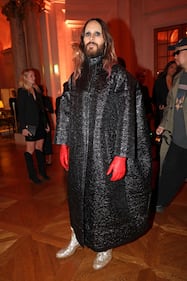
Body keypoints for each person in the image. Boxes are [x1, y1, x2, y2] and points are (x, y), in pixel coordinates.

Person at [55, 18, 151, 270]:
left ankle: (103, 245)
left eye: (97, 33)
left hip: (105, 153)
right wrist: (63, 143)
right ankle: (77, 233)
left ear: (105, 40)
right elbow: (64, 108)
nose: (91, 38)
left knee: (103, 199)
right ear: (82, 40)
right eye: (87, 34)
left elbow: (128, 118)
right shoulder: (75, 77)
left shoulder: (118, 76)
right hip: (78, 153)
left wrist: (122, 156)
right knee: (75, 195)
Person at [155, 37, 187, 213]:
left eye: (178, 51)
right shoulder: (178, 77)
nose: (175, 56)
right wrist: (163, 123)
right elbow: (171, 104)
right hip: (178, 138)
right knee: (168, 170)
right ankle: (160, 201)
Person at [17, 68, 50, 184]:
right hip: (30, 125)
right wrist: (23, 128)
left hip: (40, 123)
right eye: (31, 76)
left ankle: (42, 172)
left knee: (40, 148)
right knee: (30, 150)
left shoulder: (37, 90)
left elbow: (42, 109)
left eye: (34, 76)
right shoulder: (22, 91)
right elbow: (20, 111)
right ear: (25, 78)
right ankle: (32, 175)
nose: (34, 77)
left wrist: (46, 123)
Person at [152, 60, 178, 129]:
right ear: (167, 68)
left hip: (174, 111)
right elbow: (155, 96)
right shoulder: (159, 81)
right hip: (162, 111)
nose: (173, 70)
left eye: (175, 68)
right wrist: (160, 105)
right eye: (171, 67)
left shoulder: (176, 81)